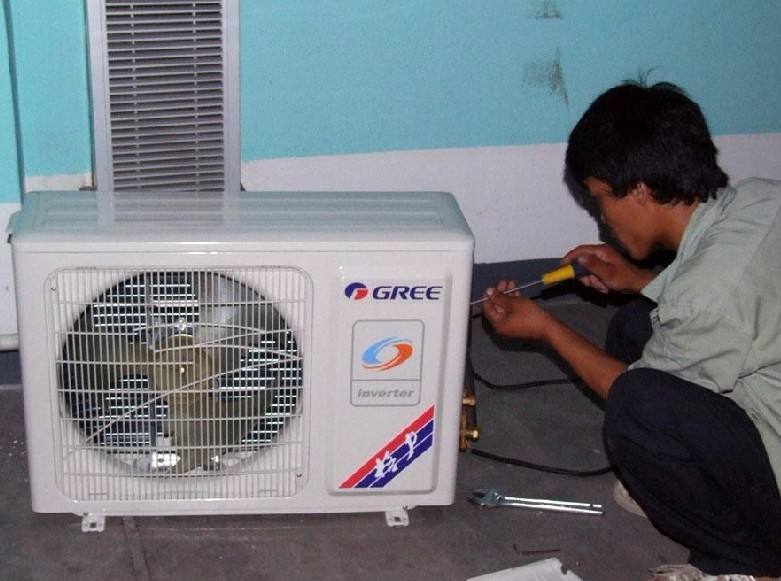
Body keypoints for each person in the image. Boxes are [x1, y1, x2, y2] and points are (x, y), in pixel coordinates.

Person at [481, 81, 781, 580]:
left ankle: (751, 563)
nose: (602, 218)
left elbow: (634, 389)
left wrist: (547, 329)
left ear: (640, 190)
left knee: (639, 411)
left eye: (600, 200)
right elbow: (734, 303)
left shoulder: (706, 296)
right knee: (636, 324)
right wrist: (640, 279)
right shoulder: (760, 199)